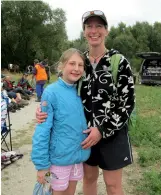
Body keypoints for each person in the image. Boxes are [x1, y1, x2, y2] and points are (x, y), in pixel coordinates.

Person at [36, 10, 135, 195]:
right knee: (89, 180)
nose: (94, 30)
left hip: (112, 135)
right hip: (85, 136)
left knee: (113, 185)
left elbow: (127, 103)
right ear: (84, 31)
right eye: (89, 26)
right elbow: (61, 90)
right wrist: (43, 108)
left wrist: (103, 129)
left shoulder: (119, 62)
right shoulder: (79, 62)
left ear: (106, 30)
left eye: (99, 26)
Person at [31, 48, 90, 195]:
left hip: (76, 159)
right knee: (50, 191)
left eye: (80, 65)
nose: (76, 68)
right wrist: (42, 166)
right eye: (72, 63)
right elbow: (42, 131)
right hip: (57, 162)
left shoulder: (82, 90)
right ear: (61, 66)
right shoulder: (51, 92)